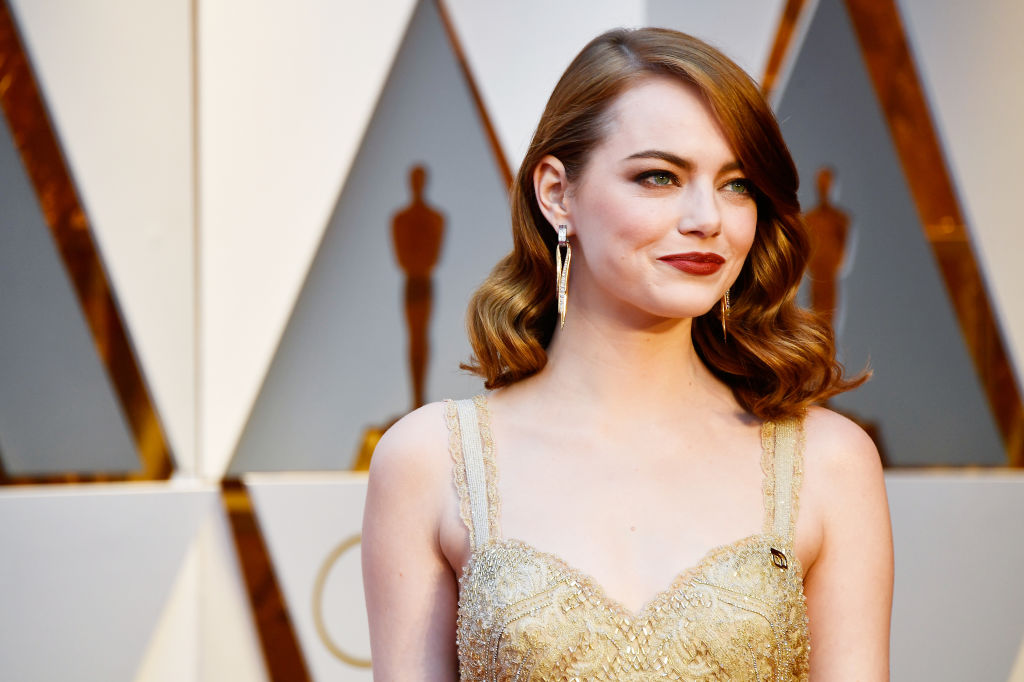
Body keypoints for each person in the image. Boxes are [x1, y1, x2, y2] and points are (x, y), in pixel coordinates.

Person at [362, 27, 893, 680]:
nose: (707, 218)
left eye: (737, 184)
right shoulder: (431, 461)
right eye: (659, 177)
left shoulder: (828, 463)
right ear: (557, 193)